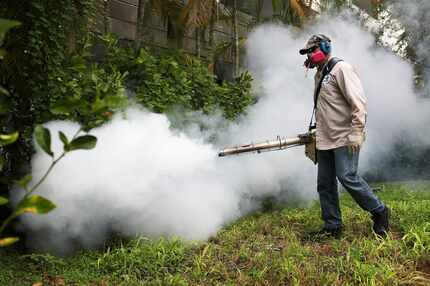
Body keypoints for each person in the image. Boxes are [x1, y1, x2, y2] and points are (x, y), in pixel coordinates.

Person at [299, 34, 390, 237]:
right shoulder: (319, 74)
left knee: (347, 176)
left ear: (324, 47)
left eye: (313, 50)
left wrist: (357, 131)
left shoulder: (341, 69)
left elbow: (358, 102)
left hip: (344, 136)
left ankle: (379, 211)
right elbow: (327, 107)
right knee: (325, 183)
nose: (310, 56)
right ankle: (333, 226)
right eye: (308, 52)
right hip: (325, 138)